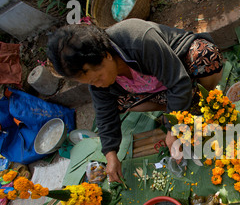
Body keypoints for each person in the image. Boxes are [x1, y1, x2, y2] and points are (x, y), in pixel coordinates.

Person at [46, 19, 223, 183]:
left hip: (181, 71)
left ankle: (203, 97)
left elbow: (178, 80)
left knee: (205, 54)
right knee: (114, 104)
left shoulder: (139, 40)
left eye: (98, 77)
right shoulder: (99, 80)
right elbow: (104, 113)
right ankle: (181, 105)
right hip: (154, 90)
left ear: (106, 55)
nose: (98, 84)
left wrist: (172, 129)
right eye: (91, 83)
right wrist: (110, 154)